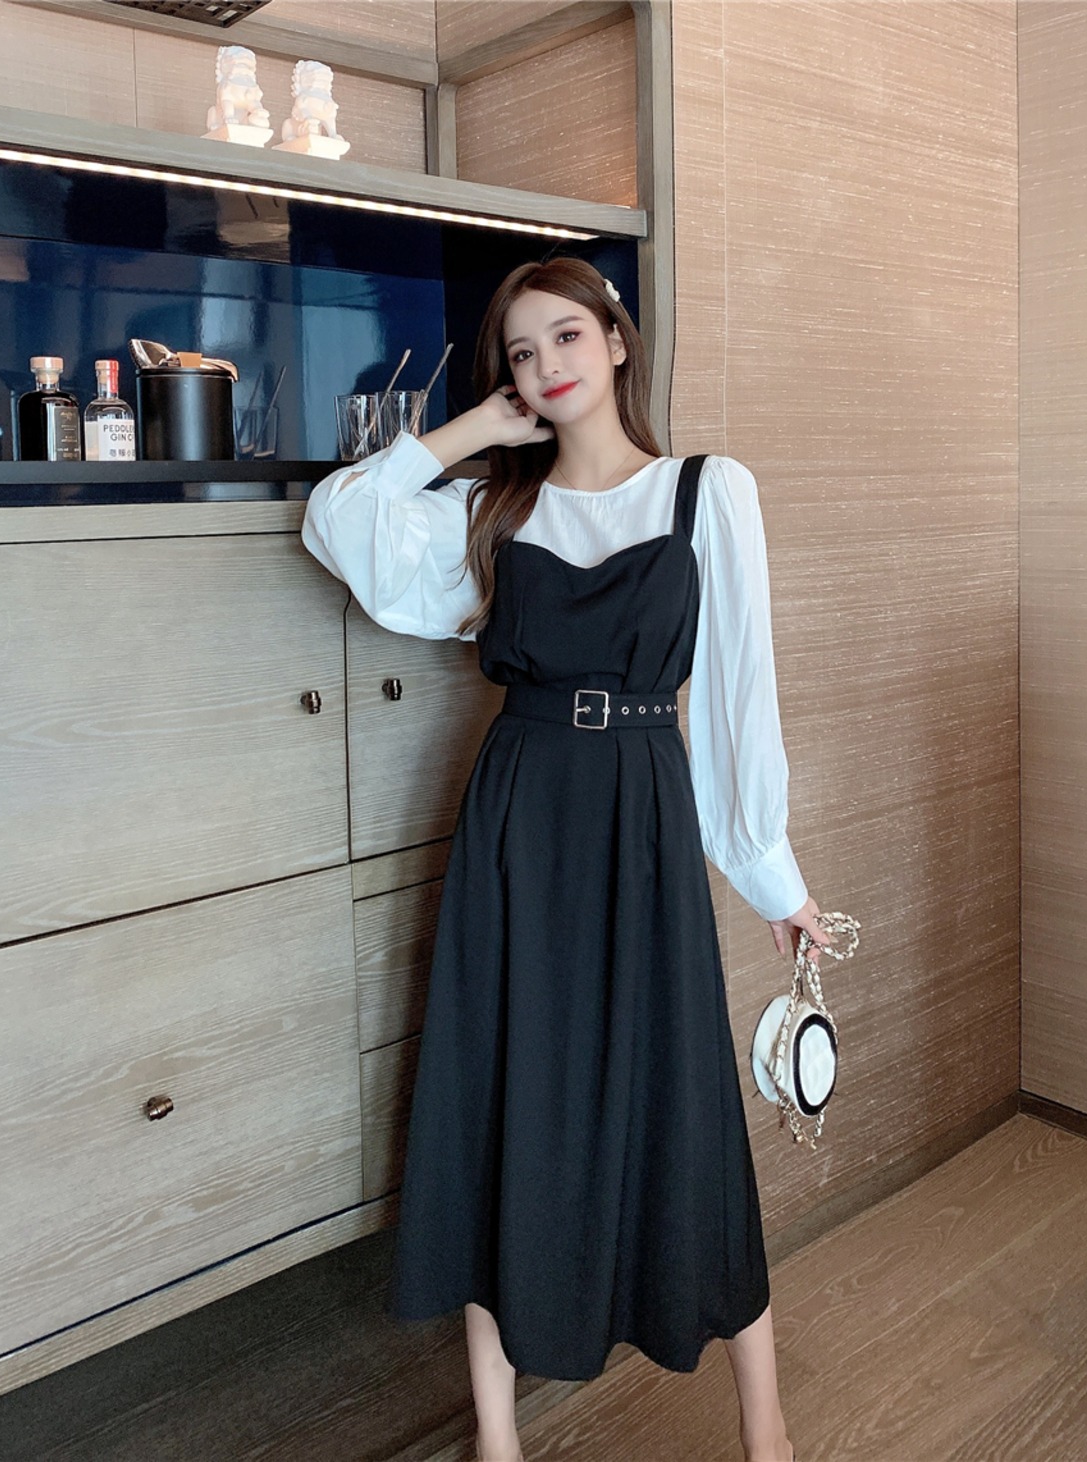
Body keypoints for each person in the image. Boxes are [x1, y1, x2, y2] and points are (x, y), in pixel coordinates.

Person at [301, 257, 829, 1462]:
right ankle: (496, 1436)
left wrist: (770, 874)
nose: (546, 365)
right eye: (521, 352)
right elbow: (337, 519)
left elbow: (739, 695)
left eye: (566, 336)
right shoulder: (494, 511)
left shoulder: (706, 492)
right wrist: (474, 430)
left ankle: (765, 1425)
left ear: (617, 341)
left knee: (683, 1102)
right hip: (518, 818)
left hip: (642, 812)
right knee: (503, 1094)